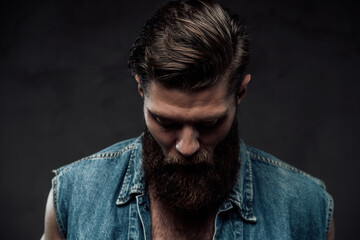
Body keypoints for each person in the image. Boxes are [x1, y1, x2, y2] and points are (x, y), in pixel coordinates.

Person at [42, 0, 334, 239]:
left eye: (208, 124)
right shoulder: (72, 197)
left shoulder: (307, 210)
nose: (187, 146)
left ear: (240, 93)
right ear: (141, 89)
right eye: (165, 123)